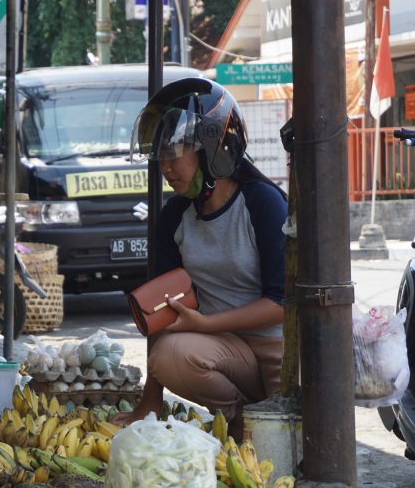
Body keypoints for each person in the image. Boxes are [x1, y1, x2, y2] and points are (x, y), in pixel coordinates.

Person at [113, 78, 288, 440]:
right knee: (169, 355)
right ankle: (234, 417)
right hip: (223, 351)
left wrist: (204, 324)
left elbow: (282, 302)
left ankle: (253, 423)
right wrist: (150, 402)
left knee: (290, 448)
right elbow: (159, 313)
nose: (166, 168)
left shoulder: (263, 204)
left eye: (176, 154)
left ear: (215, 149)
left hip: (277, 352)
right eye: (161, 157)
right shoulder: (175, 215)